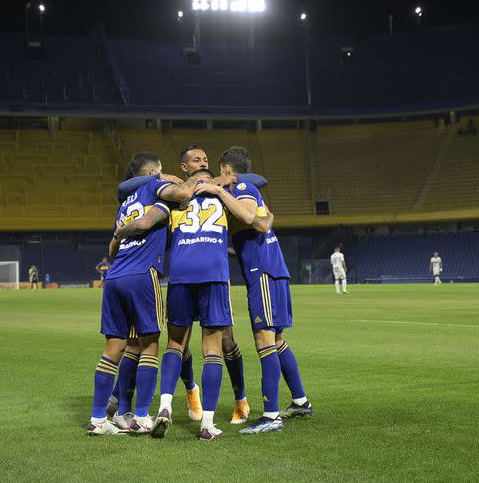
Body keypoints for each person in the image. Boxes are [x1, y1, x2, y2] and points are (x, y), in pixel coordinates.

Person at [118, 146, 261, 424]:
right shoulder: (175, 192)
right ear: (184, 167)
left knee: (221, 340)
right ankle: (192, 393)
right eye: (197, 160)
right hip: (201, 271)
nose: (203, 163)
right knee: (187, 344)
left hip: (195, 272)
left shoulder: (209, 190)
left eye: (206, 159)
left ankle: (239, 397)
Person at [199, 146, 312, 434]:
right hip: (269, 270)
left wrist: (220, 191)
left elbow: (253, 219)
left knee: (264, 341)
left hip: (263, 272)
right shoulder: (246, 189)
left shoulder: (243, 187)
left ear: (226, 170)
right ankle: (300, 401)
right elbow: (263, 219)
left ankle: (271, 415)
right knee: (277, 340)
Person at [87, 152, 197, 436]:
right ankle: (141, 417)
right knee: (150, 344)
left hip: (114, 277)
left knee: (113, 348)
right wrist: (174, 180)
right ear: (151, 173)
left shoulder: (125, 204)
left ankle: (99, 419)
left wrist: (123, 234)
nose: (166, 174)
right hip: (141, 274)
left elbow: (111, 249)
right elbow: (182, 193)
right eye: (162, 170)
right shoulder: (153, 188)